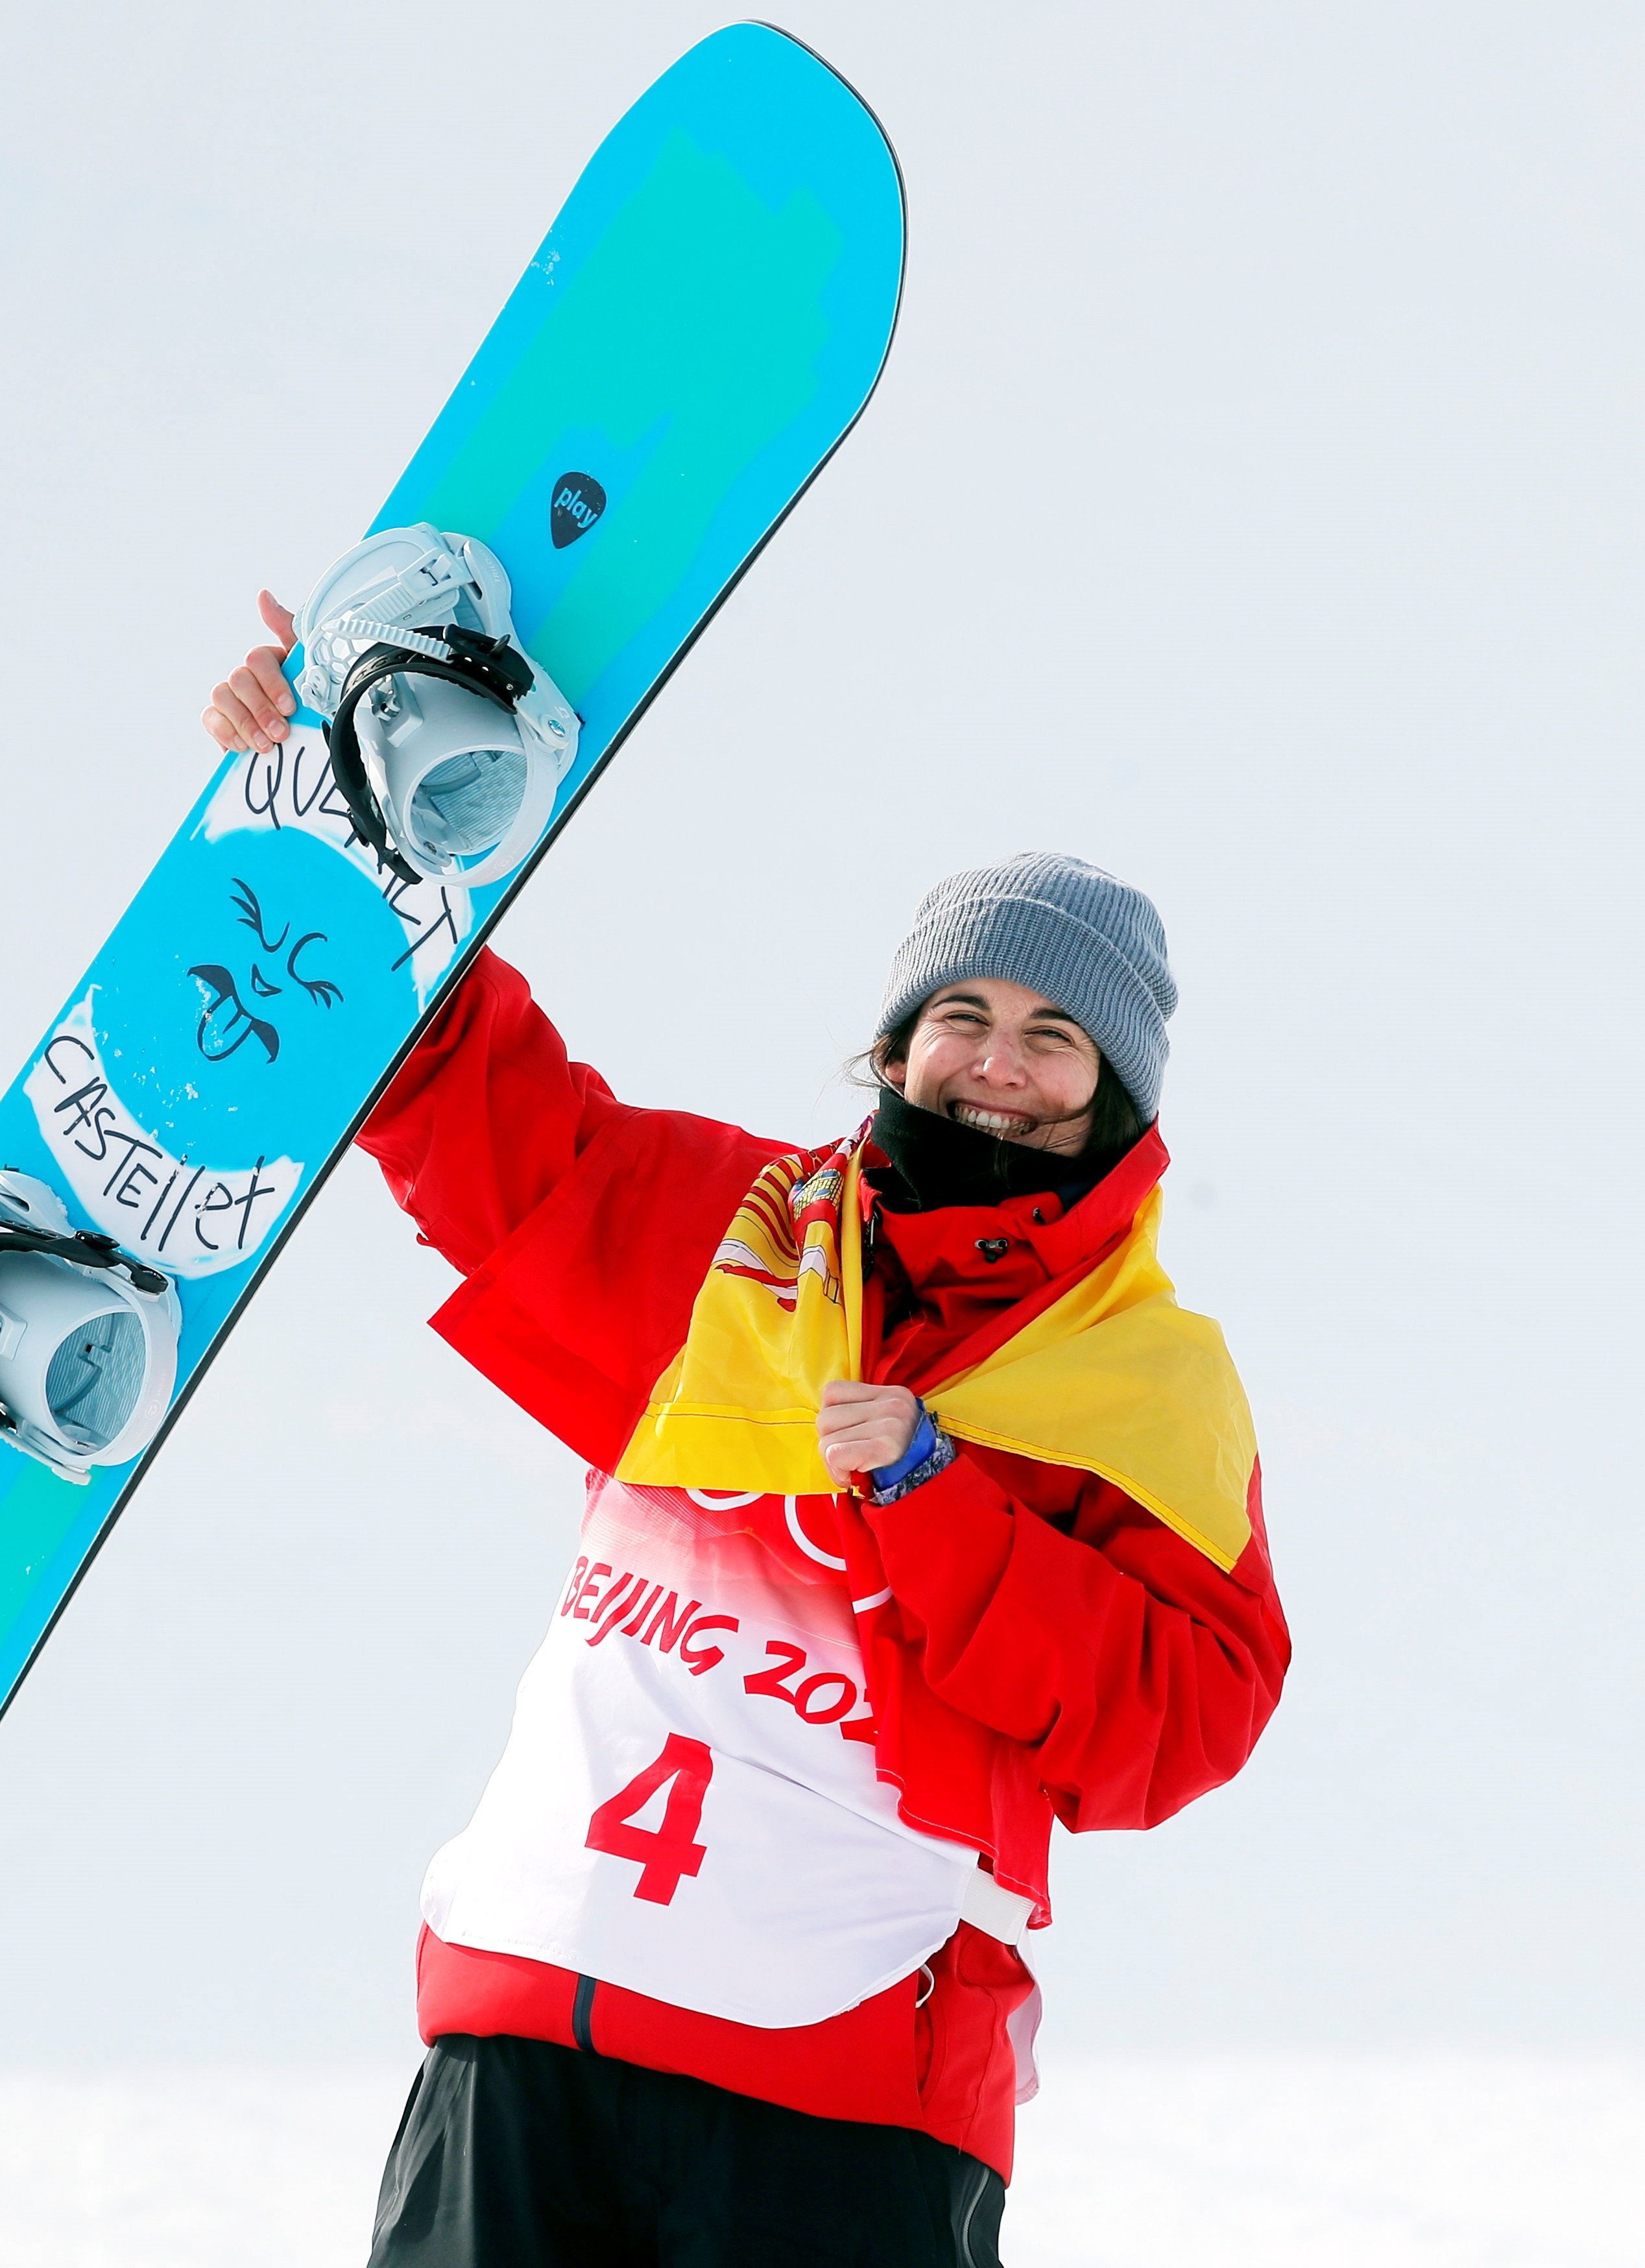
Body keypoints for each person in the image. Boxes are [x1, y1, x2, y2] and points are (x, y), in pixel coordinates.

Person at [206, 615, 1290, 2267]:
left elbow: (1176, 1720)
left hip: (842, 2096)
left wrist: (939, 1504)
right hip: (524, 2035)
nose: (995, 1061)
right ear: (897, 1037)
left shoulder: (1148, 1382)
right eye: (964, 1011)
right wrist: (338, 824)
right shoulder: (741, 1238)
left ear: (1116, 1093)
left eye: (1053, 1034)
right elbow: (480, 1115)